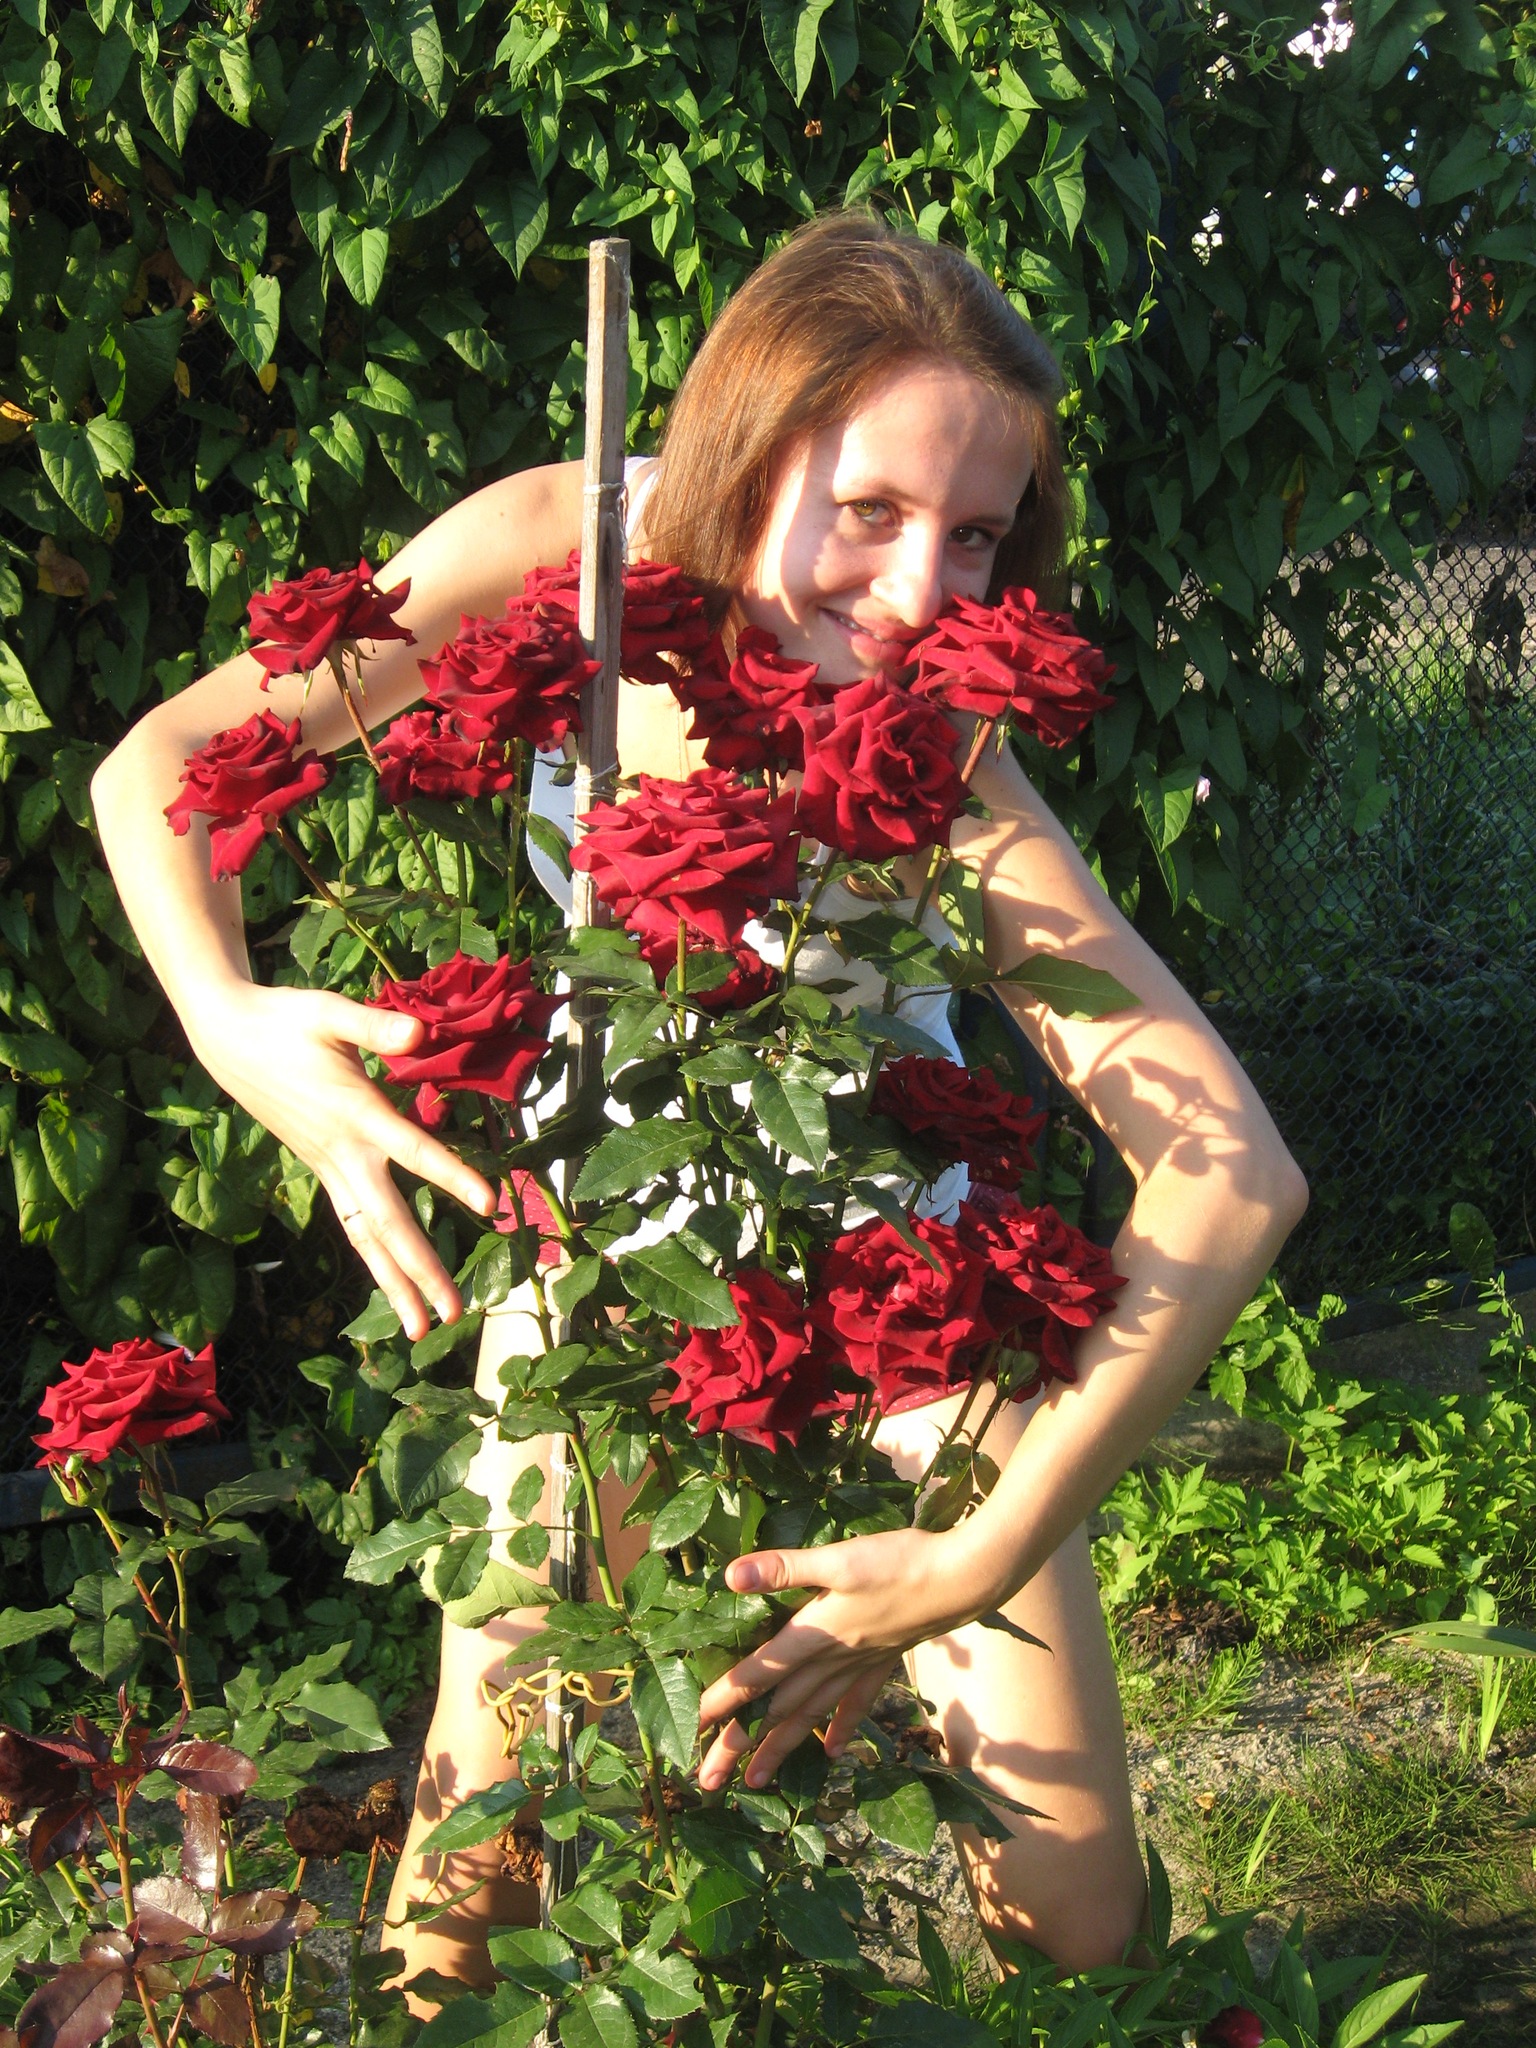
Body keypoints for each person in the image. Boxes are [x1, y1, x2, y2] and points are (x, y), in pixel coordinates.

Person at [92, 211, 1307, 1985]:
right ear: (747, 438)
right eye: (871, 507)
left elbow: (1235, 1174)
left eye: (977, 535)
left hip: (899, 1296)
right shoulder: (563, 543)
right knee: (476, 1878)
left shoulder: (942, 751)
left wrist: (975, 1555)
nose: (922, 594)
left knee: (1077, 1918)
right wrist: (233, 1024)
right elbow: (165, 762)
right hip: (605, 1266)